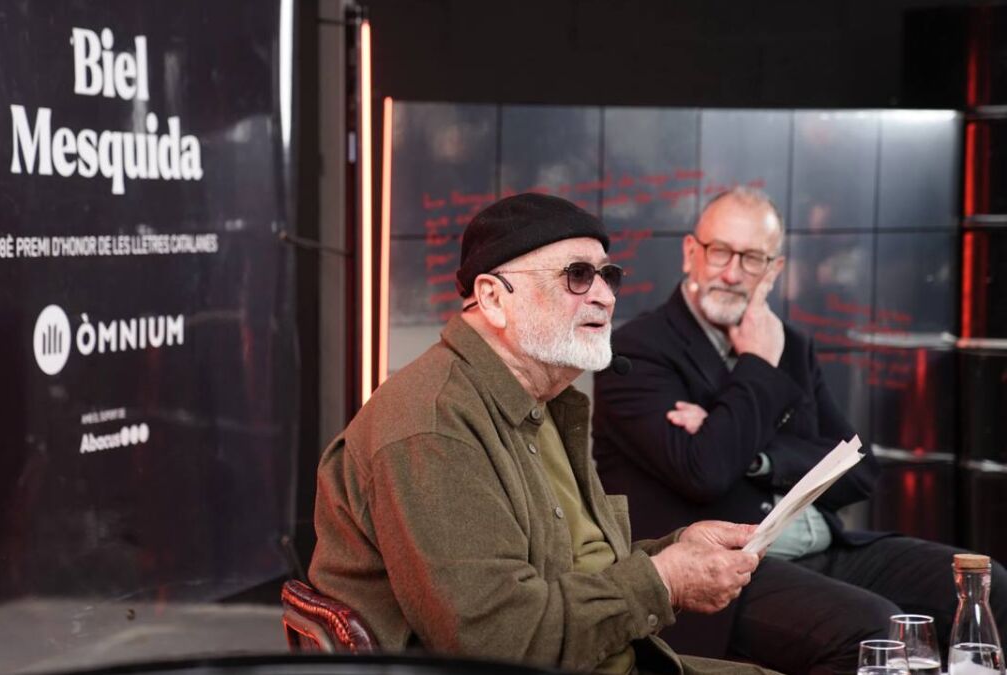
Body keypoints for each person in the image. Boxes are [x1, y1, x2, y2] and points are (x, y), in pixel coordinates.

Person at [310, 193, 775, 674]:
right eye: (577, 275)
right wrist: (665, 580)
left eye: (607, 275)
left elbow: (575, 570)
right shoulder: (432, 427)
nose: (605, 296)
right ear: (493, 298)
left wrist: (677, 552)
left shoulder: (544, 402)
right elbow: (498, 641)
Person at [592, 187, 1007, 675]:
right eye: (720, 251)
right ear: (690, 253)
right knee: (877, 629)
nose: (731, 273)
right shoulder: (635, 350)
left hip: (823, 547)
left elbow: (858, 472)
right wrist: (757, 363)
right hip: (728, 571)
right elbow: (703, 471)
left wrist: (757, 455)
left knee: (989, 583)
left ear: (774, 270)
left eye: (751, 259)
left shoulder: (791, 344)